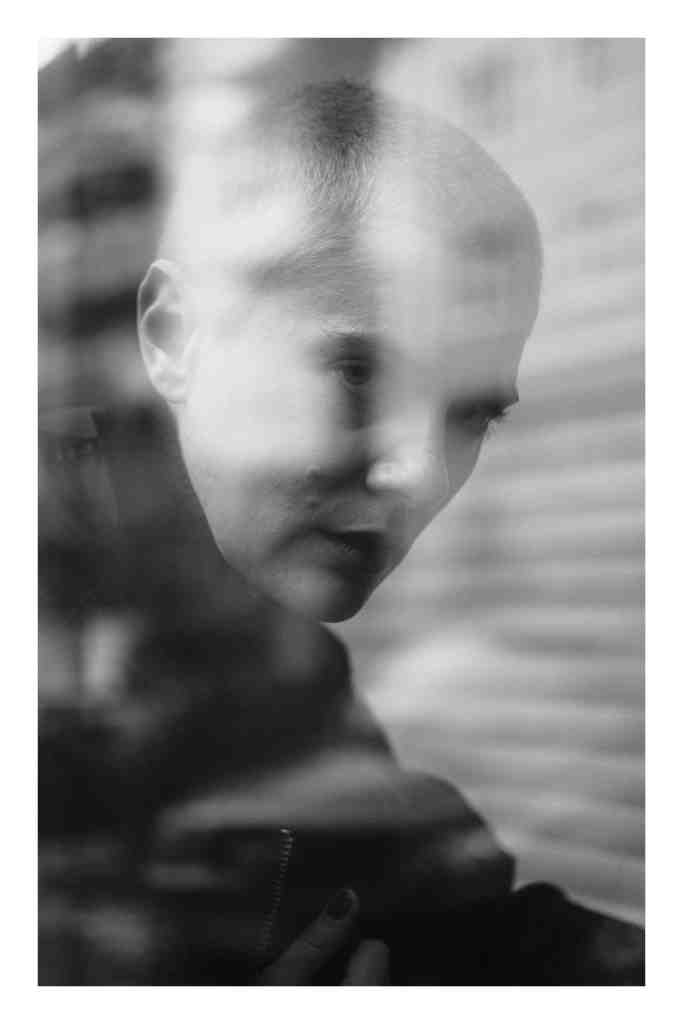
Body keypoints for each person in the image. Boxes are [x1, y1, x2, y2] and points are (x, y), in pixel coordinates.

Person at [38, 79, 644, 984]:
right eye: (359, 373)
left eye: (470, 415)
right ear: (173, 336)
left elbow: (427, 914)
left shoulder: (255, 647)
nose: (417, 474)